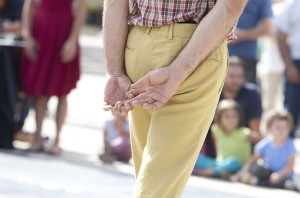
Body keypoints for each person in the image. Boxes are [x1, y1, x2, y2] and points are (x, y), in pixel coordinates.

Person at [103, 0, 248, 197]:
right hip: (195, 48)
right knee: (157, 186)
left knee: (149, 177)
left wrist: (114, 70)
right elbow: (231, 6)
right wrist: (177, 72)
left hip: (137, 47)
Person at [21, 0, 86, 154]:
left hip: (63, 32)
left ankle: (56, 141)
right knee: (40, 91)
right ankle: (37, 139)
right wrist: (28, 37)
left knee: (62, 92)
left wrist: (72, 40)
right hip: (41, 32)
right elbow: (28, 7)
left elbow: (81, 10)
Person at [232, 111, 298, 191]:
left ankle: (256, 182)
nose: (281, 131)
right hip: (267, 172)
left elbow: (290, 166)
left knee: (286, 183)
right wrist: (244, 171)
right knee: (259, 169)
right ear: (270, 128)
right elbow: (253, 159)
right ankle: (251, 179)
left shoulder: (290, 144)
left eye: (285, 128)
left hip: (283, 175)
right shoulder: (266, 143)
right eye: (278, 128)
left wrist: (279, 175)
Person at [193, 100, 252, 179]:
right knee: (197, 157)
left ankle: (208, 172)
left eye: (234, 116)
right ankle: (218, 171)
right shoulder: (216, 130)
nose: (231, 120)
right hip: (219, 163)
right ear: (220, 118)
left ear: (239, 117)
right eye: (227, 116)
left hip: (238, 165)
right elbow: (216, 144)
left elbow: (260, 143)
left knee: (233, 161)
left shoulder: (244, 132)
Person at [228, 0, 273, 84]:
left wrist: (239, 35)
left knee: (247, 94)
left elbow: (267, 29)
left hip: (247, 58)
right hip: (221, 56)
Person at [220, 56, 262, 144]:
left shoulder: (252, 94)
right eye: (232, 76)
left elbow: (256, 133)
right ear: (222, 75)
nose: (236, 80)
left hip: (245, 148)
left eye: (240, 76)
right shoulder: (214, 94)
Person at [0, 0, 24, 149]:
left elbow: (23, 25)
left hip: (13, 55)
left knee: (10, 93)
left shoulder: (18, 4)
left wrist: (4, 28)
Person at [276, 0, 300, 138]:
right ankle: (286, 152)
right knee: (291, 110)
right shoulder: (293, 4)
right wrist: (289, 66)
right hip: (295, 63)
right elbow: (280, 36)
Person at [257, 0, 286, 112]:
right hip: (271, 65)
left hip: (290, 64)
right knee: (269, 104)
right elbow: (269, 32)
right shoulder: (270, 8)